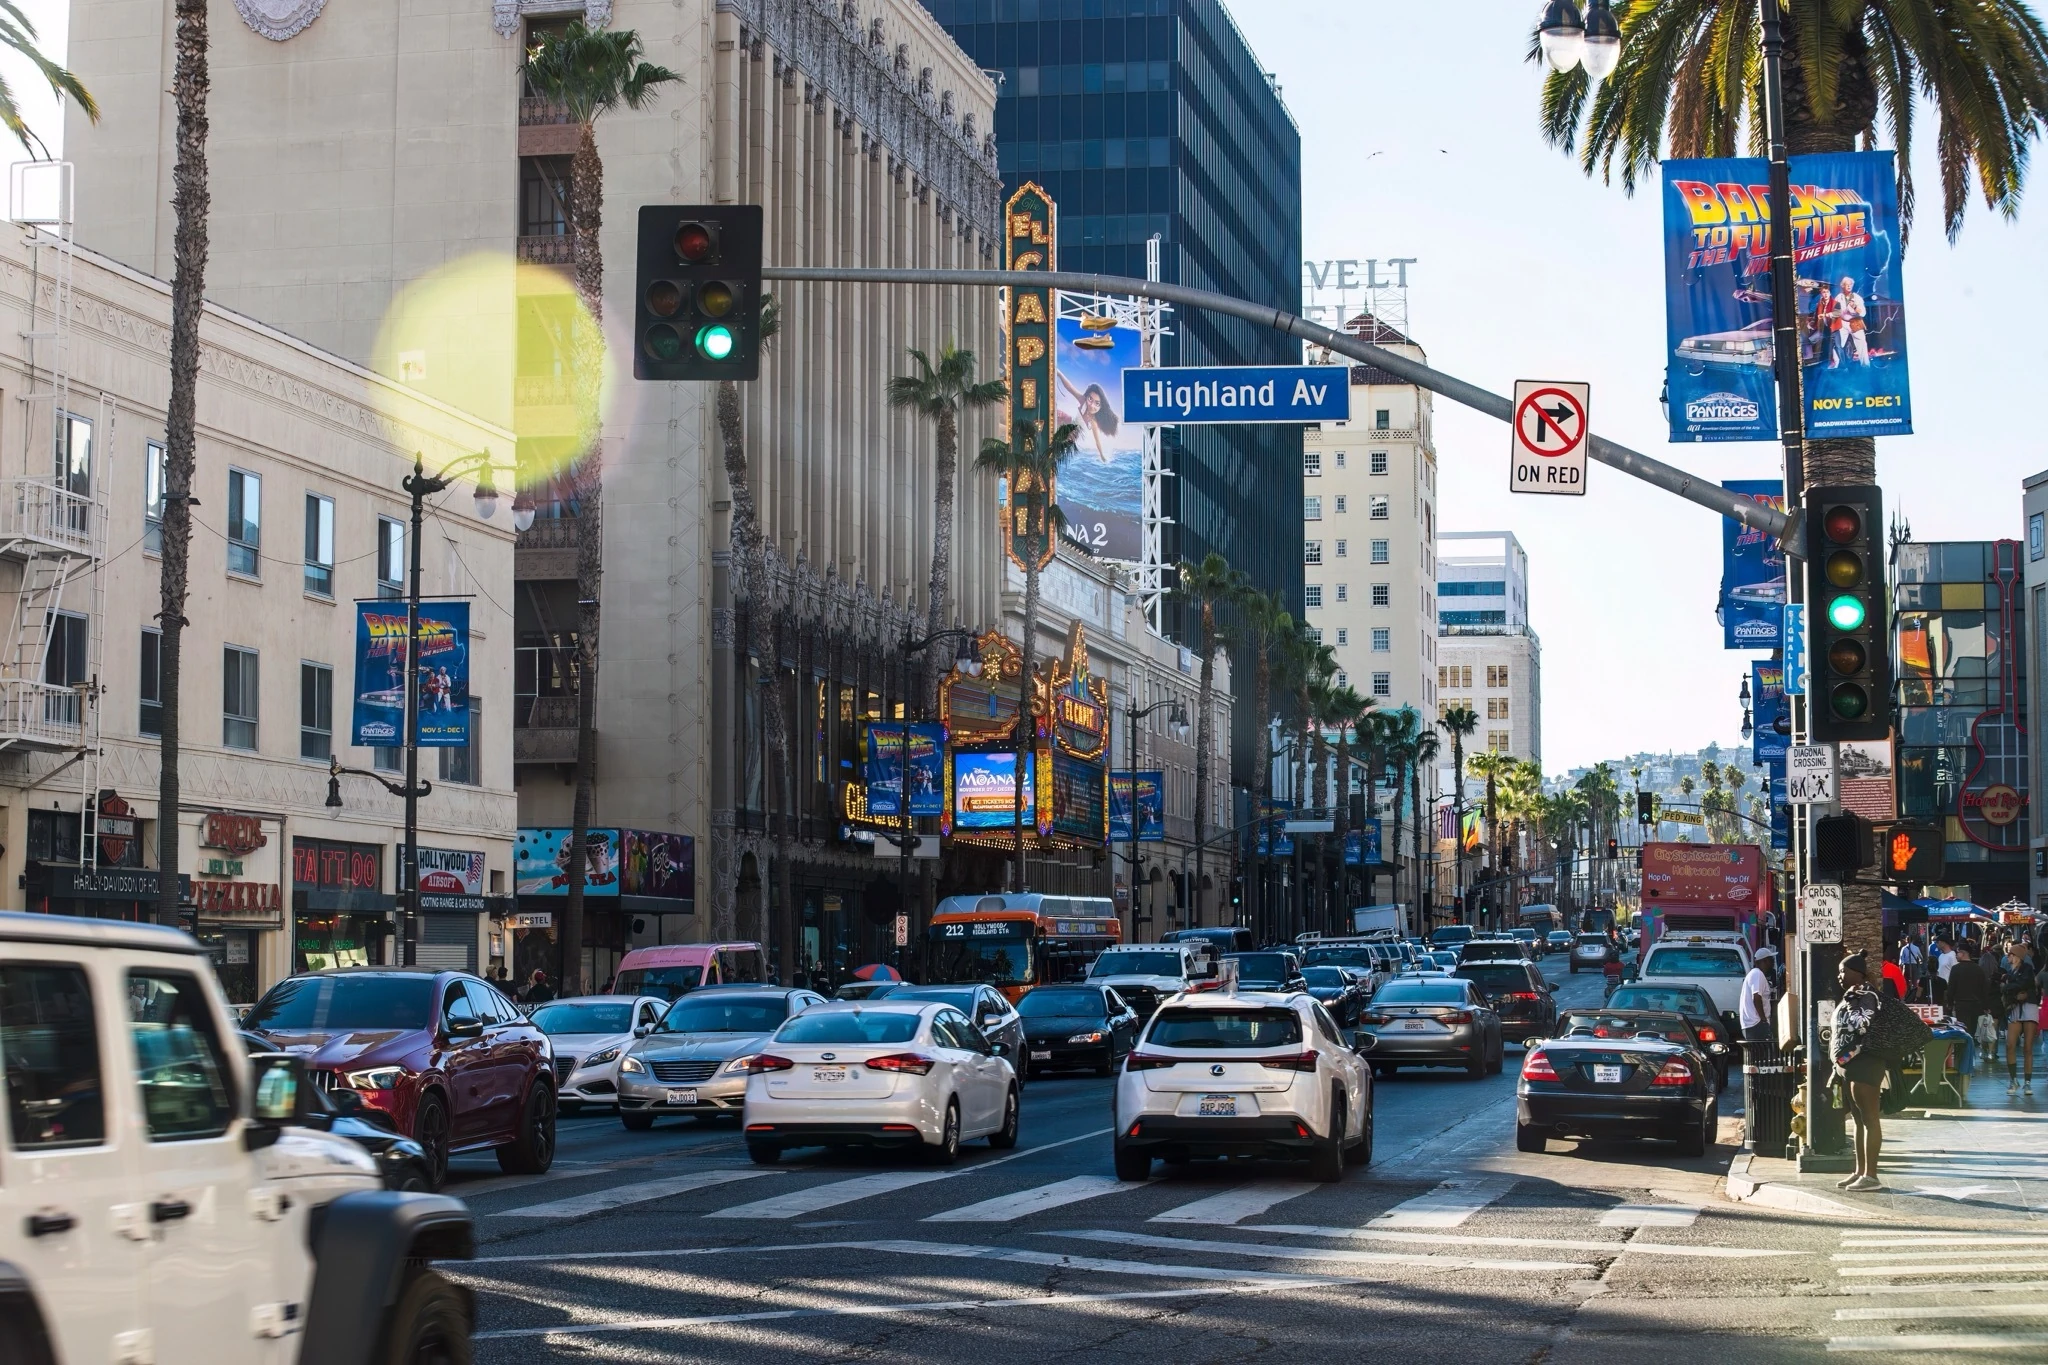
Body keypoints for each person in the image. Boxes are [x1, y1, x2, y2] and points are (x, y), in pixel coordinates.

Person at [1830, 953, 1888, 1191]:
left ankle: (1871, 1176)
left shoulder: (1865, 995)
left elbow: (1862, 1024)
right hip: (1850, 1065)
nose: (1839, 976)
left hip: (1866, 1063)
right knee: (1857, 1120)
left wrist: (1853, 1002)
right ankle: (1859, 1171)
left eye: (1843, 971)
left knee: (1870, 1119)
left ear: (1857, 972)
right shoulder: (1853, 995)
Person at [1946, 941, 1994, 1070]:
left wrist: (1949, 1004)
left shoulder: (1956, 969)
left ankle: (1962, 1061)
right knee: (1971, 1034)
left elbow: (1951, 989)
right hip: (1975, 1006)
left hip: (1961, 1005)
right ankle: (1970, 1060)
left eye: (1958, 953)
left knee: (1961, 1034)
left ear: (1962, 953)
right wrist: (1985, 1005)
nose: (1956, 955)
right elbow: (1984, 989)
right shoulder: (1978, 969)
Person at [2003, 943, 2041, 1093]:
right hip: (2015, 1007)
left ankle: (2027, 1082)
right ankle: (2013, 1080)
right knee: (2010, 1045)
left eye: (2010, 954)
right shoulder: (2011, 971)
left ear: (2017, 956)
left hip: (2028, 1006)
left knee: (2028, 1048)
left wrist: (2008, 986)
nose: (2008, 957)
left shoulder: (2026, 969)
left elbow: (2023, 983)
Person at [1740, 947, 1778, 1056]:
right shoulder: (1757, 974)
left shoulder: (1754, 974)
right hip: (1756, 1024)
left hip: (1752, 1025)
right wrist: (1763, 1020)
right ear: (1764, 961)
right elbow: (1756, 997)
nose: (1772, 964)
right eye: (1771, 960)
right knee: (1763, 1058)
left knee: (1758, 1059)